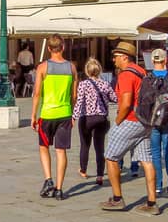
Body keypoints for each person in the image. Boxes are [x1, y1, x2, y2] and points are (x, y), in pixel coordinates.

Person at [101, 41, 159, 214]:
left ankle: (117, 199)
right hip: (146, 121)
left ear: (125, 57)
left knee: (110, 157)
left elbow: (126, 103)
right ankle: (151, 203)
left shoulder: (126, 75)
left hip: (131, 120)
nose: (113, 59)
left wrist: (117, 122)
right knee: (146, 160)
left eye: (116, 56)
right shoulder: (142, 72)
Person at [30, 36, 75, 200]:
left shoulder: (43, 67)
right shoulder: (72, 68)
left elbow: (36, 93)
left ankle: (48, 179)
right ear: (63, 47)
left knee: (44, 147)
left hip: (47, 113)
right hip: (65, 113)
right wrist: (73, 112)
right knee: (61, 151)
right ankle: (59, 188)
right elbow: (74, 95)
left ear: (49, 48)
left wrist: (33, 115)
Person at [73, 58, 115, 188]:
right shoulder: (105, 84)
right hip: (101, 118)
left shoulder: (83, 84)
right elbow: (115, 98)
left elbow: (79, 102)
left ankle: (83, 170)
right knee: (100, 147)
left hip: (87, 118)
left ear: (86, 71)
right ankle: (100, 175)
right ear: (99, 70)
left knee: (85, 145)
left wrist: (74, 117)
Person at [147, 48, 168, 195]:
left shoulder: (147, 78)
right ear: (165, 60)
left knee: (155, 153)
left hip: (153, 121)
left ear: (153, 61)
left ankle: (158, 185)